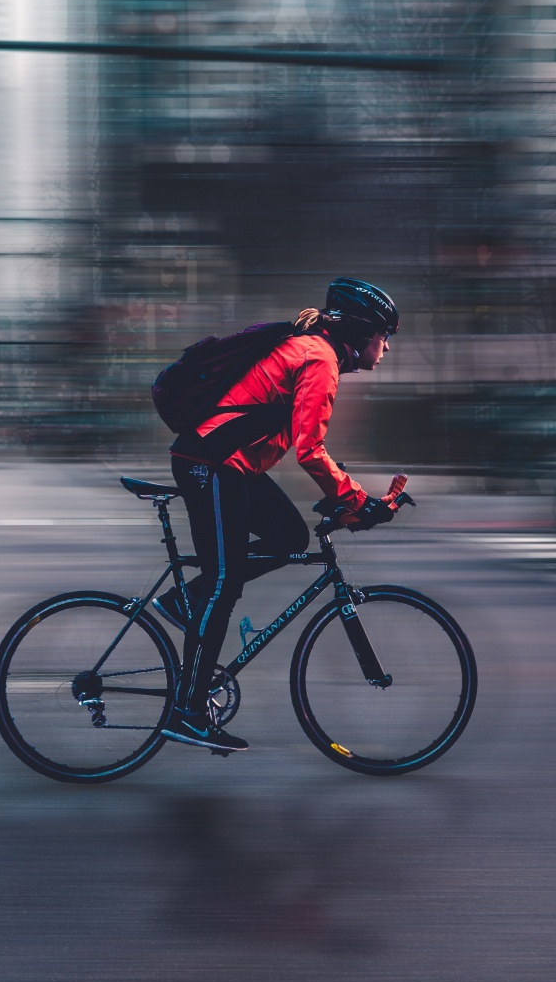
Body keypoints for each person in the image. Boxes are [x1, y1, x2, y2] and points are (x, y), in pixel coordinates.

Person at [157, 276, 400, 752]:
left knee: (290, 537)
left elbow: (301, 442)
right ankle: (187, 711)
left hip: (229, 464)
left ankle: (187, 600)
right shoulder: (320, 359)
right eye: (385, 336)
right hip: (211, 462)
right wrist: (355, 499)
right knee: (224, 584)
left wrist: (347, 496)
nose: (387, 347)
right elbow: (310, 450)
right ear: (363, 332)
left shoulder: (316, 352)